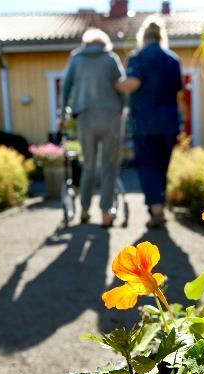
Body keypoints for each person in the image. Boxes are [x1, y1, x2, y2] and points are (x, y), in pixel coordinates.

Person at [116, 17, 182, 228]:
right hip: (170, 121)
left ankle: (156, 210)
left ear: (142, 37)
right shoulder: (173, 59)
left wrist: (114, 84)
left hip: (146, 123)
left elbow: (133, 83)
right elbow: (178, 92)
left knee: (147, 166)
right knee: (162, 167)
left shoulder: (138, 58)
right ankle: (159, 205)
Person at [61, 28, 125, 227]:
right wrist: (123, 108)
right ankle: (106, 213)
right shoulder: (111, 59)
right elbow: (121, 87)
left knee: (88, 164)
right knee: (109, 166)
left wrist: (63, 112)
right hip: (111, 117)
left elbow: (66, 87)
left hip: (86, 117)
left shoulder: (76, 59)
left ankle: (84, 210)